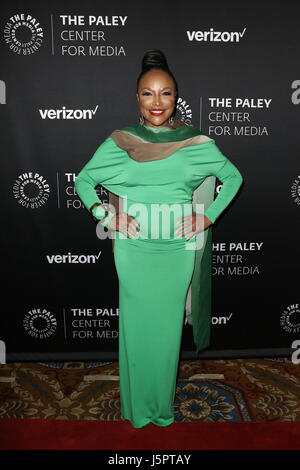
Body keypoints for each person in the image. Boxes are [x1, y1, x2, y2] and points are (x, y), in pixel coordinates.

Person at [74, 49, 243, 429]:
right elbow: (84, 180)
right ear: (137, 97)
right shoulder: (121, 141)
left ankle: (161, 410)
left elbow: (233, 177)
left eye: (165, 93)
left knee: (167, 334)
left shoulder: (195, 142)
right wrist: (106, 214)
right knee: (136, 328)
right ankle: (136, 409)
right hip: (134, 250)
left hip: (177, 250)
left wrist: (208, 215)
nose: (157, 102)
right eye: (148, 93)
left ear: (175, 97)